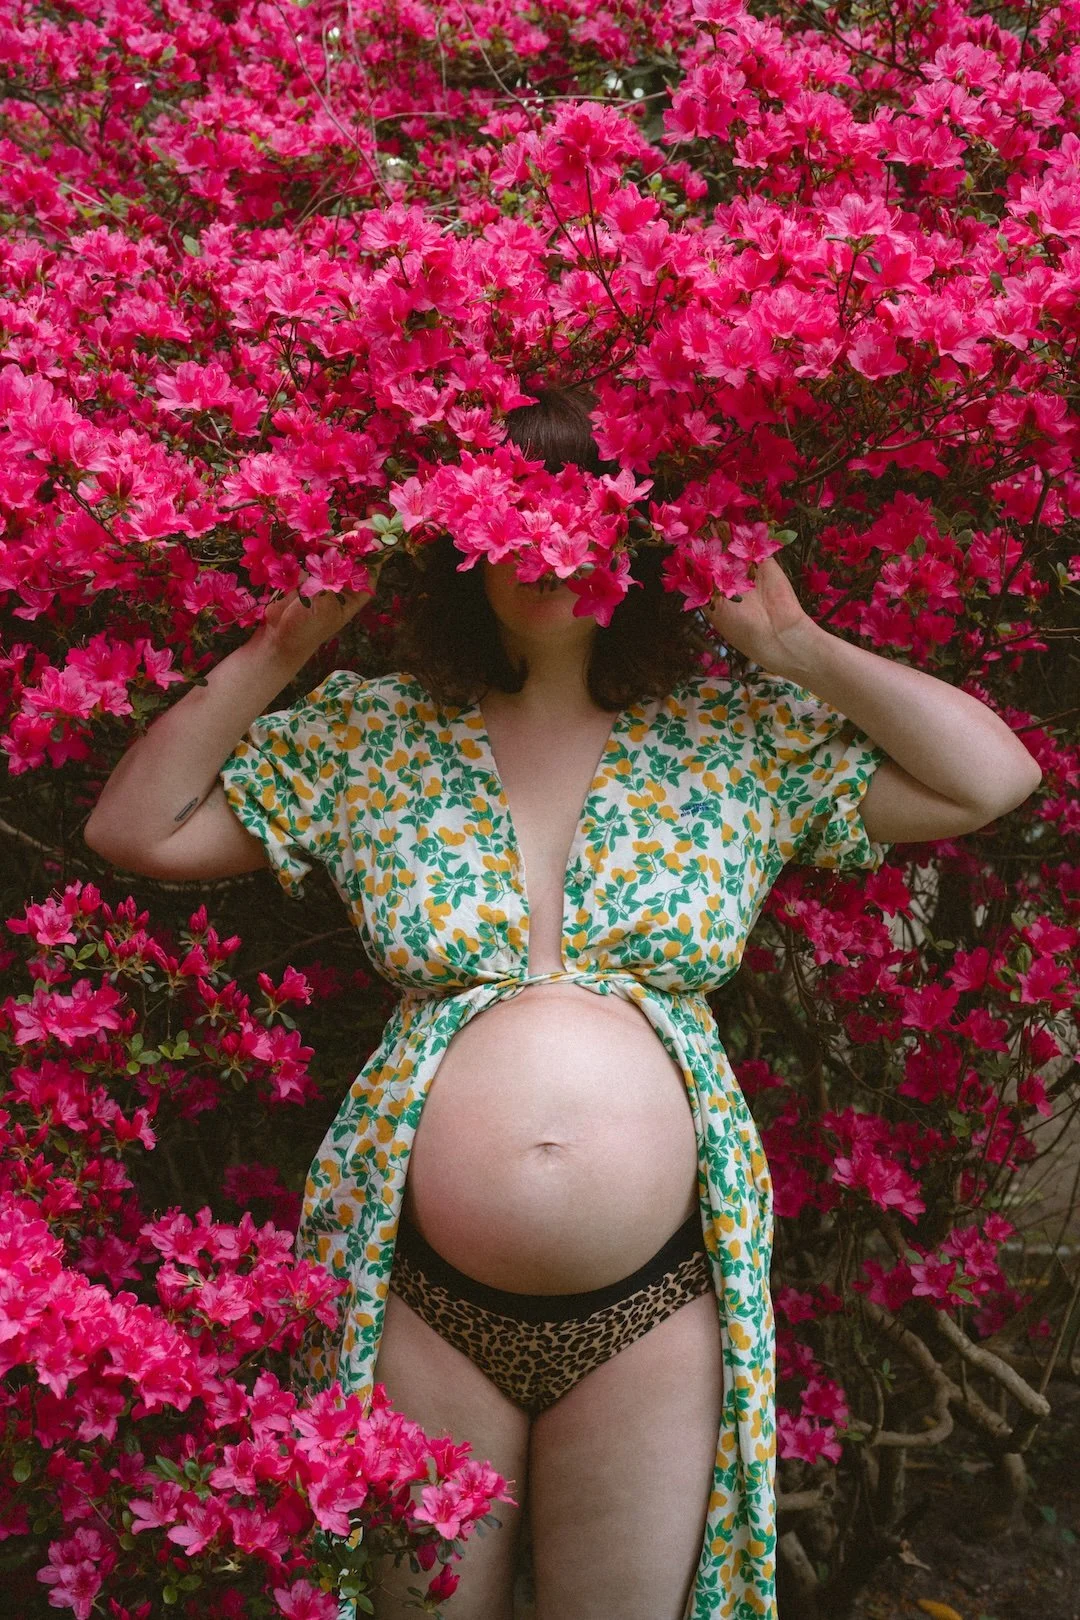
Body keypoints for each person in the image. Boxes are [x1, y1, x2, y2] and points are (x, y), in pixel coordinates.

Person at [84, 387, 1043, 1620]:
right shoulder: (376, 735)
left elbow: (993, 778)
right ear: (456, 546)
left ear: (637, 545)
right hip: (417, 1292)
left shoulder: (733, 735)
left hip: (653, 1305)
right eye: (512, 513)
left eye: (581, 511)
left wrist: (794, 647)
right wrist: (278, 651)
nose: (545, 547)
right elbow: (134, 827)